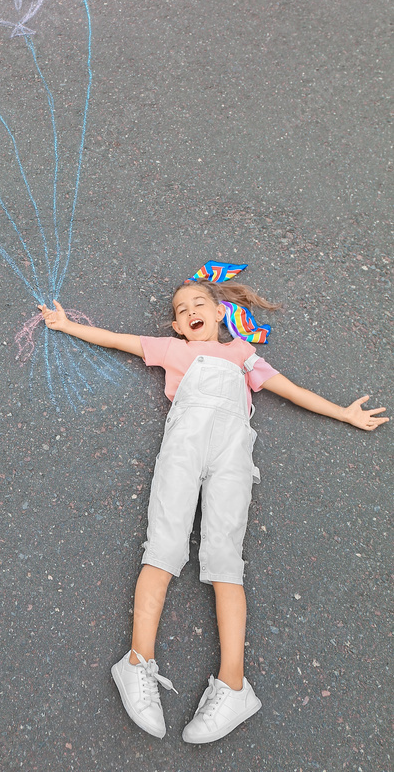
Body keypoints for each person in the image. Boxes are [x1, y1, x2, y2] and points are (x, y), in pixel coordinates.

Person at [38, 262, 388, 745]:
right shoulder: (174, 350)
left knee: (225, 559)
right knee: (163, 546)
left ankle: (234, 685)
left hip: (231, 459)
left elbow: (291, 390)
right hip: (182, 452)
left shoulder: (243, 355)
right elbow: (118, 339)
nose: (190, 311)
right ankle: (136, 661)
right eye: (182, 310)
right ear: (179, 327)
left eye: (199, 303)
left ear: (220, 312)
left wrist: (344, 413)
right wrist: (65, 325)